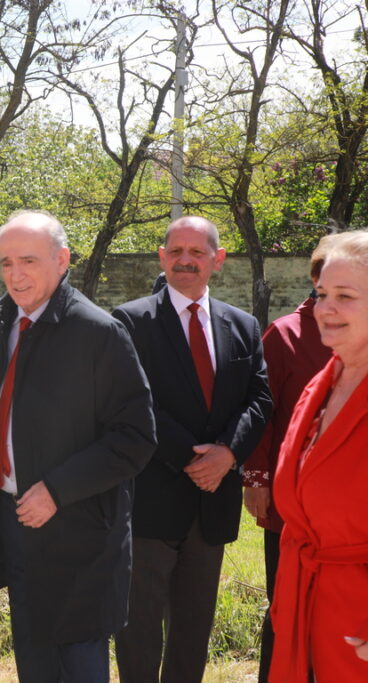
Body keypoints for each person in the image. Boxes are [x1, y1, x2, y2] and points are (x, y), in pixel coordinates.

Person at [0, 211, 157, 682]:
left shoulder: (99, 332)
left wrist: (56, 489)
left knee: (78, 659)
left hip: (82, 530)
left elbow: (135, 438)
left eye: (28, 261)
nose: (15, 275)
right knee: (33, 657)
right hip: (13, 520)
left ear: (62, 259)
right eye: (6, 262)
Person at [112, 216, 272, 683]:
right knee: (138, 632)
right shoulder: (131, 320)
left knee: (193, 631)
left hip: (212, 506)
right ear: (162, 257)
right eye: (176, 251)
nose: (185, 260)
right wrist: (192, 458)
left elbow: (259, 400)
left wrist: (227, 455)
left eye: (197, 252)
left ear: (217, 260)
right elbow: (130, 404)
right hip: (150, 502)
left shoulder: (242, 325)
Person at [269, 230, 368, 682]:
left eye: (345, 296)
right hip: (308, 608)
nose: (325, 308)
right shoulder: (321, 386)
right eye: (322, 293)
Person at [241, 235, 335, 683]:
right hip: (292, 503)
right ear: (314, 278)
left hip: (351, 505)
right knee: (287, 604)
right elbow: (262, 410)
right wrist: (256, 479)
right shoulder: (285, 333)